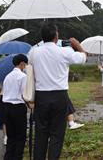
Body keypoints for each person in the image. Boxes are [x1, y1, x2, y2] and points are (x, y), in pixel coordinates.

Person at [30, 23, 86, 160]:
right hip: (60, 96)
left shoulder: (33, 52)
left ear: (42, 37)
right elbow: (84, 58)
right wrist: (77, 45)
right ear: (56, 36)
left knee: (41, 133)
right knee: (57, 133)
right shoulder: (65, 51)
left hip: (41, 95)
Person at [2, 54, 28, 160]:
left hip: (7, 107)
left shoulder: (8, 76)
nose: (26, 66)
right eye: (25, 64)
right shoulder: (23, 76)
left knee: (11, 137)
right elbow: (24, 94)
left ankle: (8, 157)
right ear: (22, 63)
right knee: (20, 137)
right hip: (18, 108)